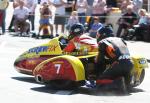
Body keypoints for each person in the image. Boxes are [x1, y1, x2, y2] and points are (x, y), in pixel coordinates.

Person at [94, 26, 133, 92]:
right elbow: (120, 54)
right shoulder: (121, 39)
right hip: (130, 64)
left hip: (118, 65)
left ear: (103, 35)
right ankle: (126, 84)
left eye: (98, 35)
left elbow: (100, 61)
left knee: (98, 83)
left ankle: (118, 83)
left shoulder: (102, 42)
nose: (97, 37)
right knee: (127, 87)